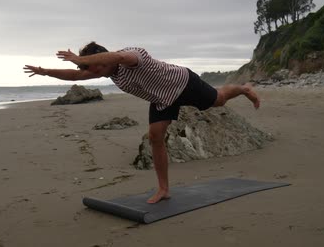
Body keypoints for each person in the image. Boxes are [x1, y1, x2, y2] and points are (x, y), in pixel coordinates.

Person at [23, 42, 260, 204]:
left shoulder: (131, 56)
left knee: (218, 100)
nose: (85, 70)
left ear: (98, 59)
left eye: (87, 65)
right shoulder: (109, 72)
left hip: (182, 83)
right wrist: (44, 72)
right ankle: (164, 189)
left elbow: (116, 56)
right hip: (161, 99)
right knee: (155, 137)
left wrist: (80, 58)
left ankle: (243, 88)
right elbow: (75, 76)